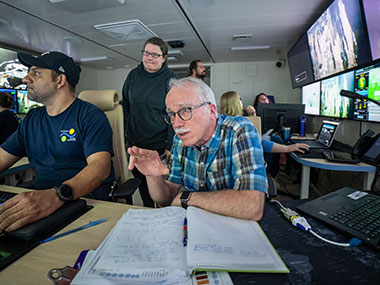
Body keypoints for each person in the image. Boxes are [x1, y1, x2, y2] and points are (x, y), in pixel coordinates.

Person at [0, 51, 115, 232]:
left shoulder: (90, 116)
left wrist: (57, 196)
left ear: (60, 81)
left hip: (84, 202)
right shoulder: (32, 119)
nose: (25, 79)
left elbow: (100, 167)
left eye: (36, 73)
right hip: (41, 203)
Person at [128, 77, 267, 221]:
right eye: (171, 115)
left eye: (185, 110)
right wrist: (154, 176)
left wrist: (188, 198)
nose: (176, 124)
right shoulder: (179, 140)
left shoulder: (239, 130)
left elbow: (252, 206)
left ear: (212, 111)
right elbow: (166, 199)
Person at [122, 37, 178, 207]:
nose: (149, 58)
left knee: (160, 192)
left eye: (155, 55)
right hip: (135, 143)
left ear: (164, 58)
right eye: (146, 53)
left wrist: (170, 145)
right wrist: (126, 131)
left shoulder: (170, 79)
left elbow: (174, 114)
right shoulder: (133, 75)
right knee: (143, 188)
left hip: (158, 145)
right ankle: (148, 212)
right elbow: (126, 105)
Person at [219, 91, 309, 178]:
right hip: (244, 168)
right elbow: (258, 142)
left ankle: (270, 176)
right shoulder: (241, 123)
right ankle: (268, 176)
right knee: (275, 140)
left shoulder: (220, 122)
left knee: (275, 138)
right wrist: (288, 148)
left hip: (225, 169)